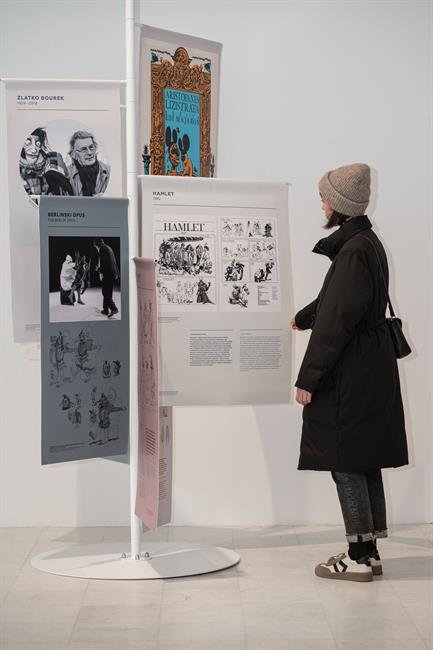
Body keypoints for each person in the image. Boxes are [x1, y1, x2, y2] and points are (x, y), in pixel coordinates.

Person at [291, 163, 408, 583]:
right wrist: (304, 316)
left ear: (340, 204)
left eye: (325, 197)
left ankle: (357, 557)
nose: (322, 204)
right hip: (371, 365)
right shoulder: (365, 242)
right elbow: (336, 300)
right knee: (363, 456)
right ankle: (370, 552)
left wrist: (308, 379)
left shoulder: (354, 250)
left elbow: (337, 321)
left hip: (352, 368)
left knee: (344, 459)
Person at [68, 131, 110, 196]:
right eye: (84, 149)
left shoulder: (108, 171)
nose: (89, 153)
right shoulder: (67, 174)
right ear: (74, 154)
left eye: (91, 147)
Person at [93, 238, 120, 318]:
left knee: (105, 292)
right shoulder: (108, 247)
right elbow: (113, 262)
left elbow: (104, 263)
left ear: (97, 245)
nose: (96, 249)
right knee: (108, 292)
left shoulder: (102, 249)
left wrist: (99, 269)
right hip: (112, 273)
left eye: (95, 247)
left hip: (107, 273)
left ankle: (114, 308)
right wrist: (117, 274)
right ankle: (105, 310)